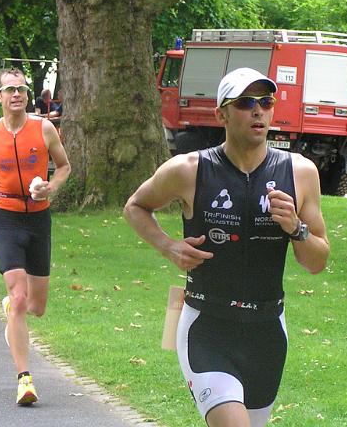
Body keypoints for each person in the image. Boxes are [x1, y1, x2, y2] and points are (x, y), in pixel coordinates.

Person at [123, 67, 329, 427]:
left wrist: (296, 228)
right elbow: (136, 206)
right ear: (221, 113)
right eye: (246, 102)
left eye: (265, 102)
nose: (258, 111)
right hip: (208, 326)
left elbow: (317, 261)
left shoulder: (300, 172)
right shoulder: (189, 169)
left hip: (267, 330)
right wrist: (168, 246)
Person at [0, 68, 71, 406]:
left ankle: (14, 307)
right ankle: (25, 379)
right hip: (6, 218)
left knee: (36, 307)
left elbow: (64, 166)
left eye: (22, 89)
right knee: (20, 297)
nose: (17, 95)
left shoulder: (44, 128)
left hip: (39, 220)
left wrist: (51, 187)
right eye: (10, 89)